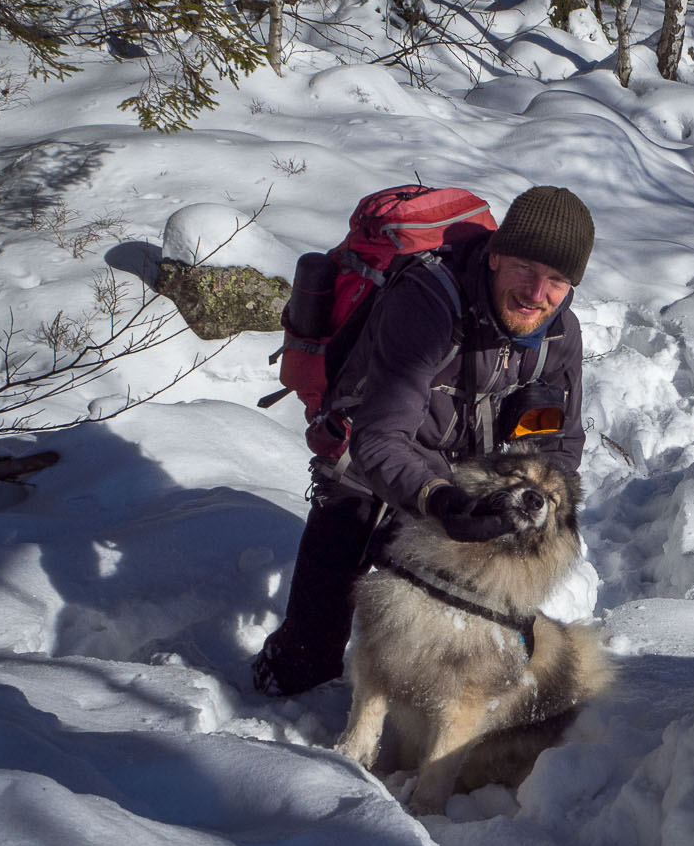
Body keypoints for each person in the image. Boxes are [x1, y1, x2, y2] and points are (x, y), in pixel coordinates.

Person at [251, 185, 592, 698]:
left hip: (462, 474)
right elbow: (382, 436)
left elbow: (561, 441)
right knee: (310, 657)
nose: (536, 292)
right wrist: (438, 499)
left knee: (435, 633)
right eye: (525, 267)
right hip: (364, 464)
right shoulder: (427, 304)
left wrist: (547, 503)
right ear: (496, 255)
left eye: (557, 280)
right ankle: (278, 688)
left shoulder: (561, 335)